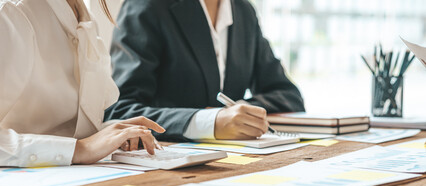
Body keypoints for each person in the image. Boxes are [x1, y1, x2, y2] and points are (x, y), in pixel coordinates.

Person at [105, 0, 305, 142]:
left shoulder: (243, 11)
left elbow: (289, 96)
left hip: (233, 162)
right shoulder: (146, 6)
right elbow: (120, 110)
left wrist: (240, 112)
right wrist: (209, 122)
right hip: (167, 163)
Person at [0, 0, 165, 168]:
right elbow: (79, 148)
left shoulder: (85, 18)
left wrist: (111, 132)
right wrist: (80, 148)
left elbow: (65, 130)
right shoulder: (11, 13)